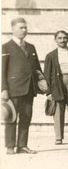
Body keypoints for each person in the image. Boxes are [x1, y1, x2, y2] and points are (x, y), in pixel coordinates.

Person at [2, 18, 42, 154]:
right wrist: (4, 89)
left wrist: (42, 82)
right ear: (13, 29)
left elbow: (37, 68)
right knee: (11, 117)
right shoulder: (5, 47)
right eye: (21, 27)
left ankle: (22, 145)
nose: (24, 30)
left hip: (29, 89)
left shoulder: (31, 47)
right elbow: (2, 70)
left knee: (26, 116)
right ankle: (10, 146)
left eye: (25, 27)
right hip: (13, 89)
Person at [43, 31, 68, 145]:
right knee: (58, 112)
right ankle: (59, 137)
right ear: (55, 40)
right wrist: (48, 91)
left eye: (65, 38)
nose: (62, 40)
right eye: (59, 38)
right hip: (57, 85)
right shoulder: (50, 55)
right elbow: (46, 74)